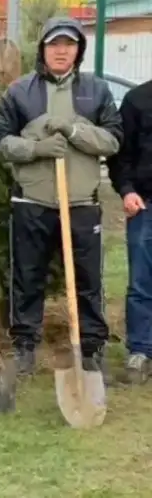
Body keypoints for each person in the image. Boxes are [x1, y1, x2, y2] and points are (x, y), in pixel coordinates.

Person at [0, 17, 122, 376]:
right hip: (32, 203)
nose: (61, 50)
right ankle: (24, 347)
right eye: (54, 44)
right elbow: (1, 141)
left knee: (88, 279)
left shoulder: (96, 92)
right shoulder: (21, 91)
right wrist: (36, 148)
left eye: (68, 44)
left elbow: (112, 140)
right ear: (43, 49)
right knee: (27, 277)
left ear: (78, 50)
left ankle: (92, 348)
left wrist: (73, 129)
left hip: (81, 203)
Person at [107, 77, 152, 383]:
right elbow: (120, 155)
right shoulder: (137, 100)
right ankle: (140, 350)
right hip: (145, 204)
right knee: (141, 282)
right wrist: (126, 190)